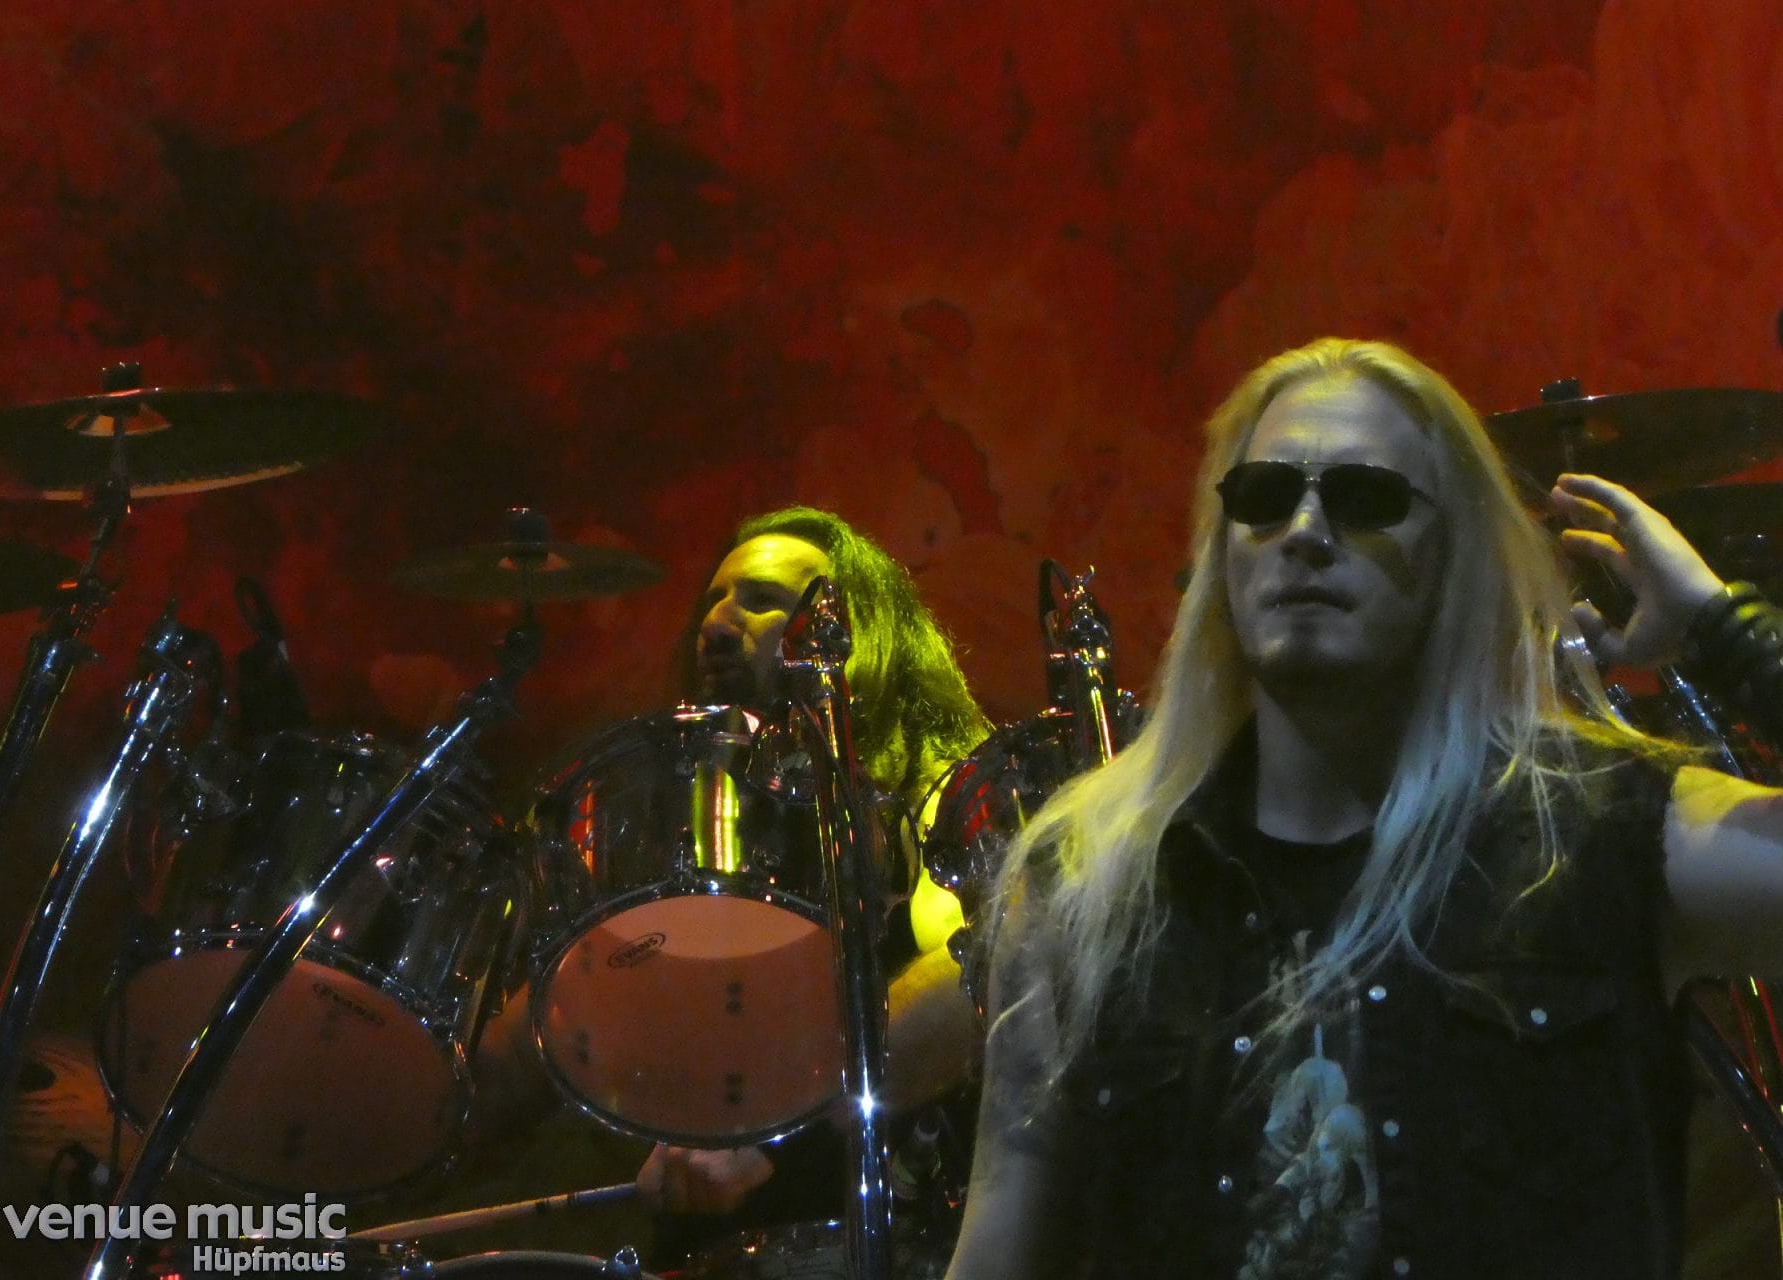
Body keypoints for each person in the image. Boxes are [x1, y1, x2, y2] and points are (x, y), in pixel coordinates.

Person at [943, 337, 1783, 1280]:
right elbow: (995, 1253)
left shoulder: (1594, 831)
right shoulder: (1085, 885)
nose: (1304, 531)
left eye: (1366, 498)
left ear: (1454, 556)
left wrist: (1725, 627)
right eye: (1264, 495)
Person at [637, 505, 993, 1258]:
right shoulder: (711, 807)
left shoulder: (936, 780)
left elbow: (982, 966)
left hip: (902, 1228)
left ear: (856, 633)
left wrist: (777, 1129)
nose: (717, 623)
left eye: (763, 601)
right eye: (713, 600)